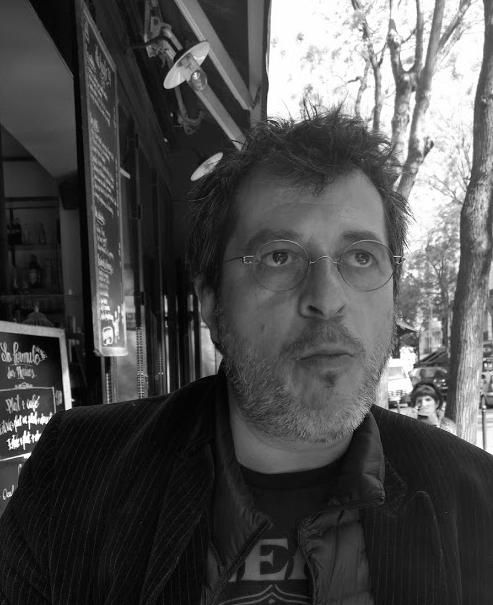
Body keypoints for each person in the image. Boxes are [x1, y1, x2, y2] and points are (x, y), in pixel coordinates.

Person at [1, 108, 493, 605]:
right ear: (210, 301)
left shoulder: (478, 500)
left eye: (362, 257)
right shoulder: (75, 474)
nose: (327, 298)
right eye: (279, 256)